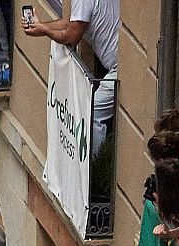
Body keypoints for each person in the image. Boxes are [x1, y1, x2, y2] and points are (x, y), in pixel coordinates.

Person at [22, 0, 119, 155]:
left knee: (94, 111)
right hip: (115, 64)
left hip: (119, 66)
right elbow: (69, 23)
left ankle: (95, 165)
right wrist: (40, 27)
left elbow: (71, 37)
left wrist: (45, 30)